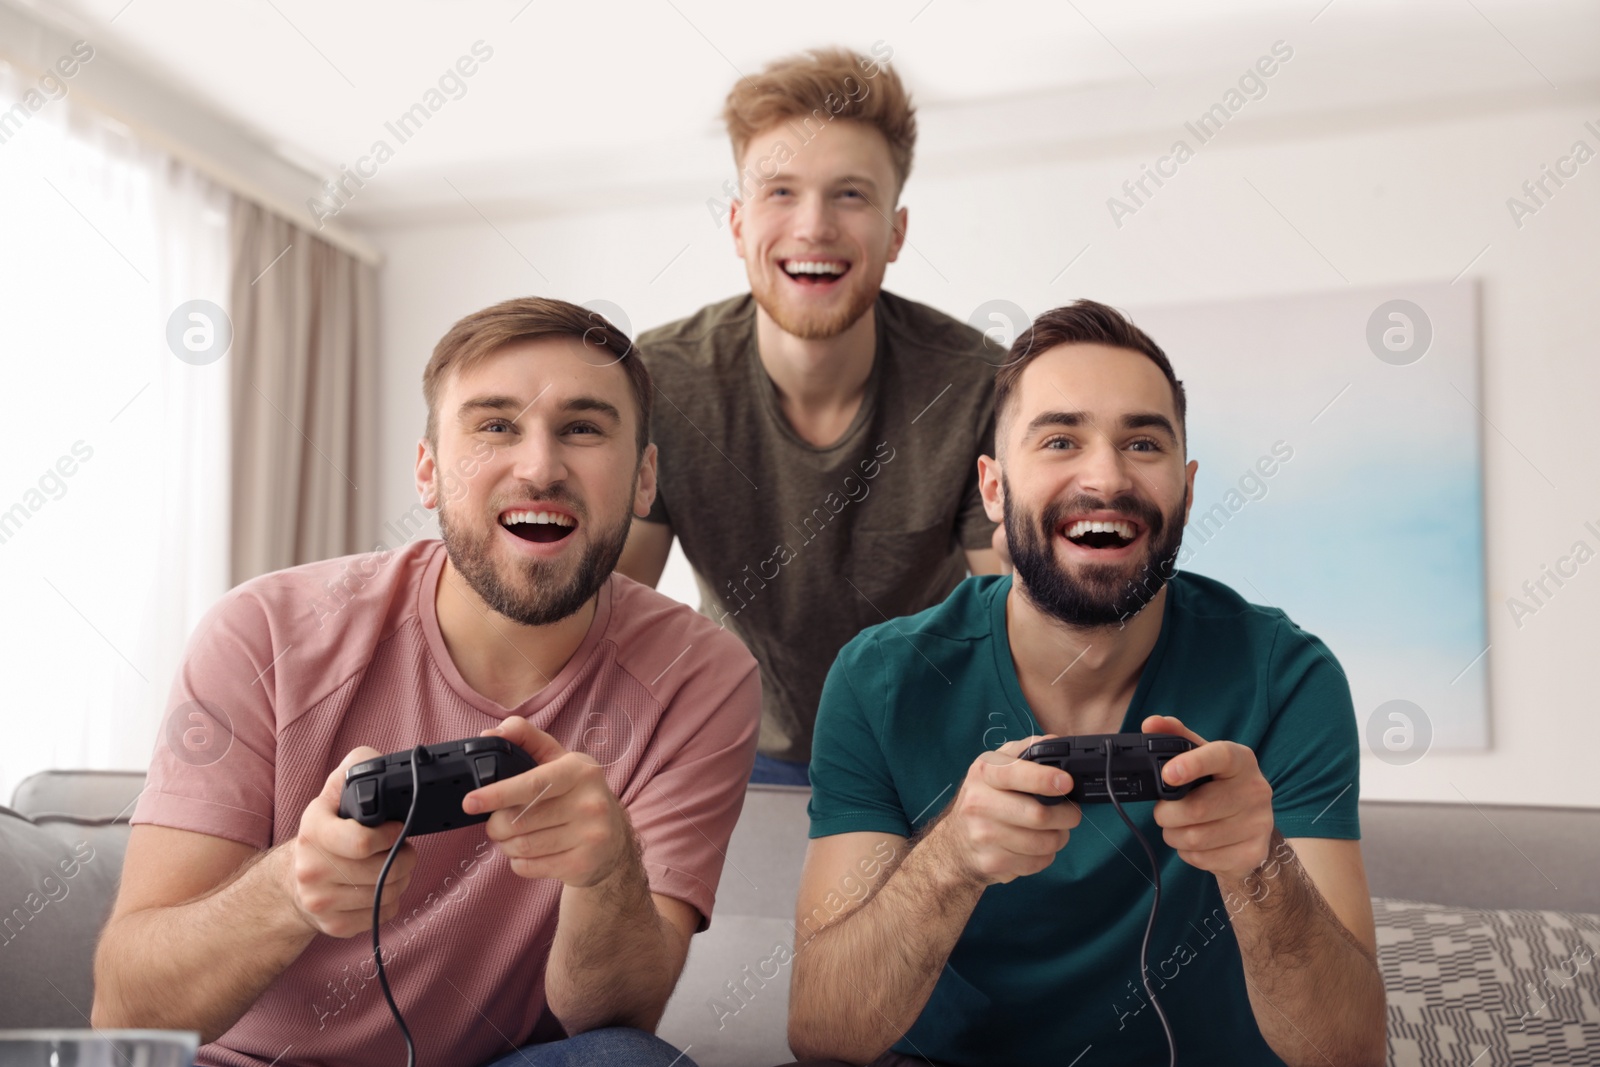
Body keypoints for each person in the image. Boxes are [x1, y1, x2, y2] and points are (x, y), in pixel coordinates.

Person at [92, 297, 761, 1067]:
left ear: (645, 480)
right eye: (494, 425)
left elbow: (616, 1017)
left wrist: (607, 872)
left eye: (583, 427)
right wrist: (288, 891)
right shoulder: (264, 632)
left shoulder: (702, 677)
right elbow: (125, 1009)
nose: (540, 466)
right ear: (429, 472)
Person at [786, 301, 1386, 1066]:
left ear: (1188, 488)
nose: (1105, 476)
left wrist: (1259, 864)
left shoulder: (1289, 676)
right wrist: (950, 860)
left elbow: (1351, 1052)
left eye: (1142, 441)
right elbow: (820, 1033)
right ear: (994, 491)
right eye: (1061, 439)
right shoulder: (880, 679)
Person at [615, 47, 1004, 786]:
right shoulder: (660, 382)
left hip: (930, 755)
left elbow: (1023, 630)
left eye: (851, 195)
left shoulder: (975, 383)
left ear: (895, 230)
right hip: (739, 748)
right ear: (737, 223)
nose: (815, 225)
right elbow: (608, 621)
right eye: (781, 191)